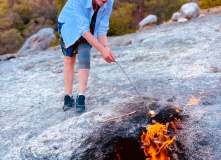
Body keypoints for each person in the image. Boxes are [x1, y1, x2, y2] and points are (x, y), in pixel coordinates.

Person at [58, 0, 115, 112]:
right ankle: (68, 96)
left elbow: (102, 27)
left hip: (89, 25)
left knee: (84, 55)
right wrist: (102, 51)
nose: (106, 0)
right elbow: (83, 30)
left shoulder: (109, 2)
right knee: (69, 59)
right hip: (69, 23)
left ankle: (81, 96)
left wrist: (106, 47)